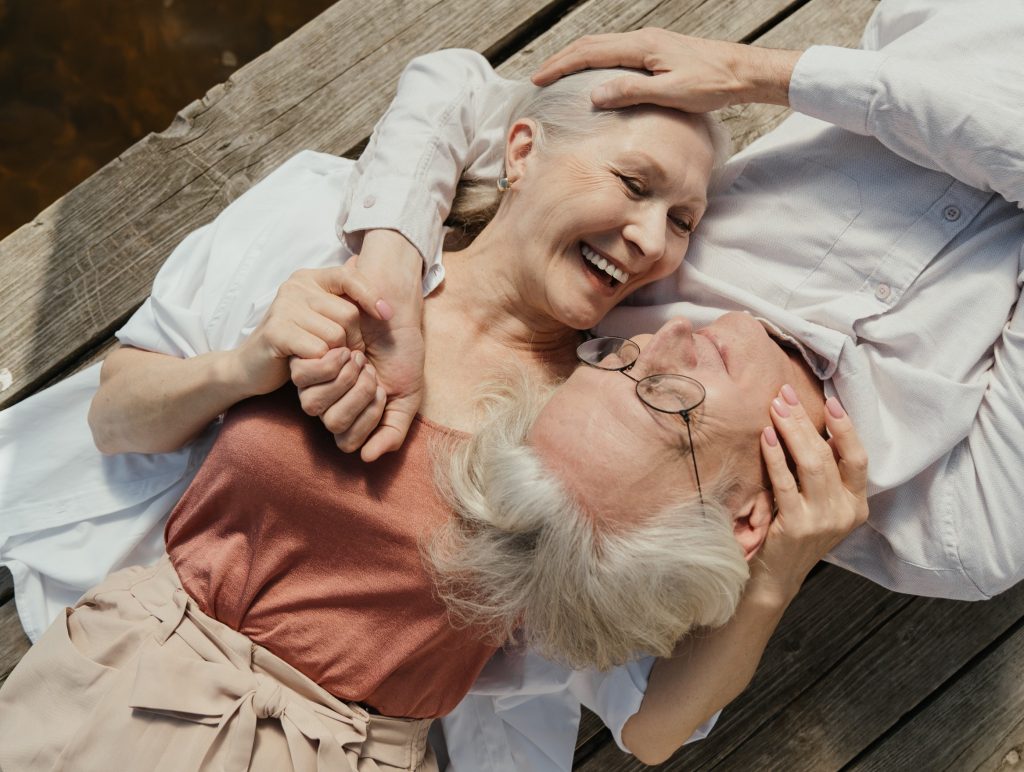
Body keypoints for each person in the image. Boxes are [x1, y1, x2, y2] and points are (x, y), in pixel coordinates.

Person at [3, 64, 859, 771]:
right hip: (119, 679)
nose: (649, 239)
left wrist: (780, 573)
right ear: (521, 152)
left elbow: (656, 728)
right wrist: (244, 366)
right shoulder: (327, 239)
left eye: (682, 221)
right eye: (634, 186)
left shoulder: (601, 432)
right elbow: (116, 422)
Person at [288, 0, 1024, 767]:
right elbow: (649, 729)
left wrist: (390, 273)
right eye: (668, 401)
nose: (667, 337)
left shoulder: (621, 277)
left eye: (617, 361)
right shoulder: (957, 528)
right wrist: (767, 73)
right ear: (743, 522)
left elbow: (454, 90)